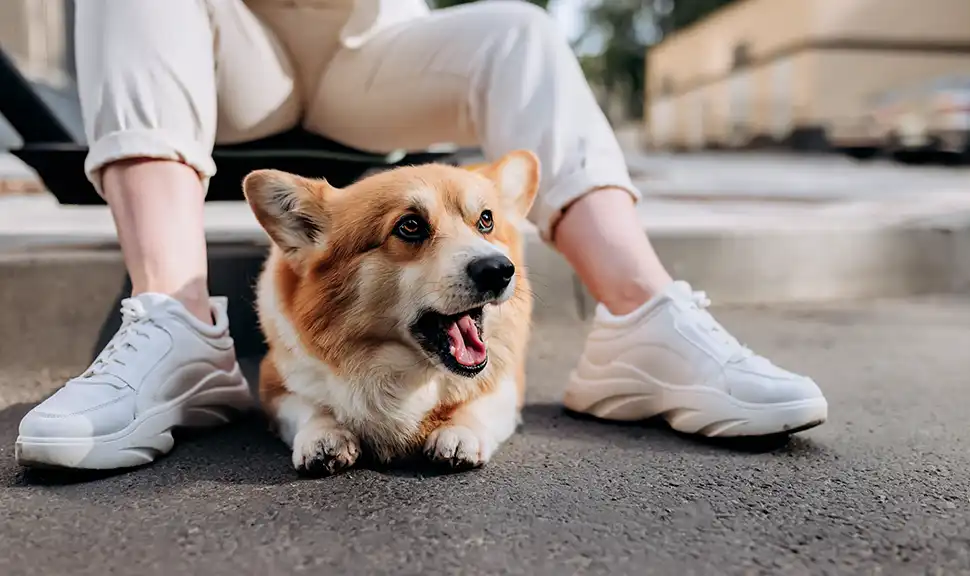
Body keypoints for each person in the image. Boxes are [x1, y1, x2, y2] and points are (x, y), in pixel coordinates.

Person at [15, 0, 827, 470]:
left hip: (373, 41)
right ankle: (175, 320)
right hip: (230, 35)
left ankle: (643, 318)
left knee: (521, 30)